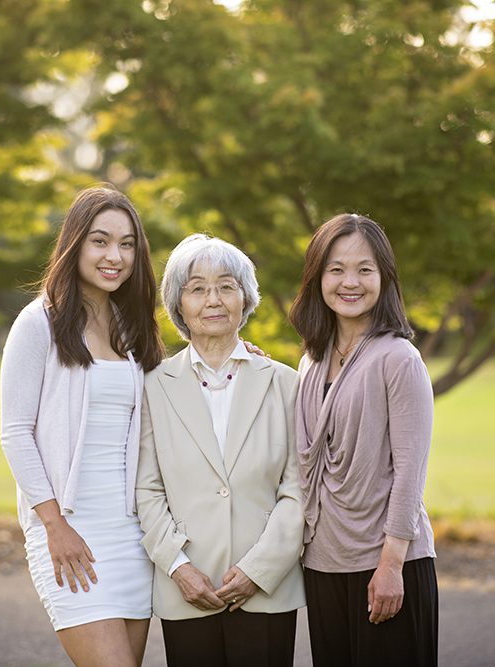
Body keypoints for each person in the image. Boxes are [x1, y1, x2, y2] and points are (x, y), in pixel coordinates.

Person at [0, 184, 164, 667]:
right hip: (70, 529)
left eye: (127, 244)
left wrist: (234, 356)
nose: (115, 256)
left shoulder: (131, 326)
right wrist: (55, 526)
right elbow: (15, 433)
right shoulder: (38, 323)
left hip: (131, 535)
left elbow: (171, 397)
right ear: (75, 244)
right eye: (100, 241)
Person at [136, 233, 306, 667]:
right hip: (186, 590)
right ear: (179, 305)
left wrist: (259, 570)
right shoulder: (153, 386)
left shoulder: (286, 384)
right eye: (197, 288)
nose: (213, 300)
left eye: (226, 286)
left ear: (245, 298)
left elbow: (299, 489)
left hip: (267, 590)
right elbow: (146, 490)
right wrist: (178, 567)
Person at [289, 214, 438, 666]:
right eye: (336, 269)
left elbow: (410, 473)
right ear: (317, 278)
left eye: (364, 269)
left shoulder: (399, 358)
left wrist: (391, 564)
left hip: (387, 566)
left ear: (384, 277)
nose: (349, 282)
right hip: (323, 563)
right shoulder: (310, 362)